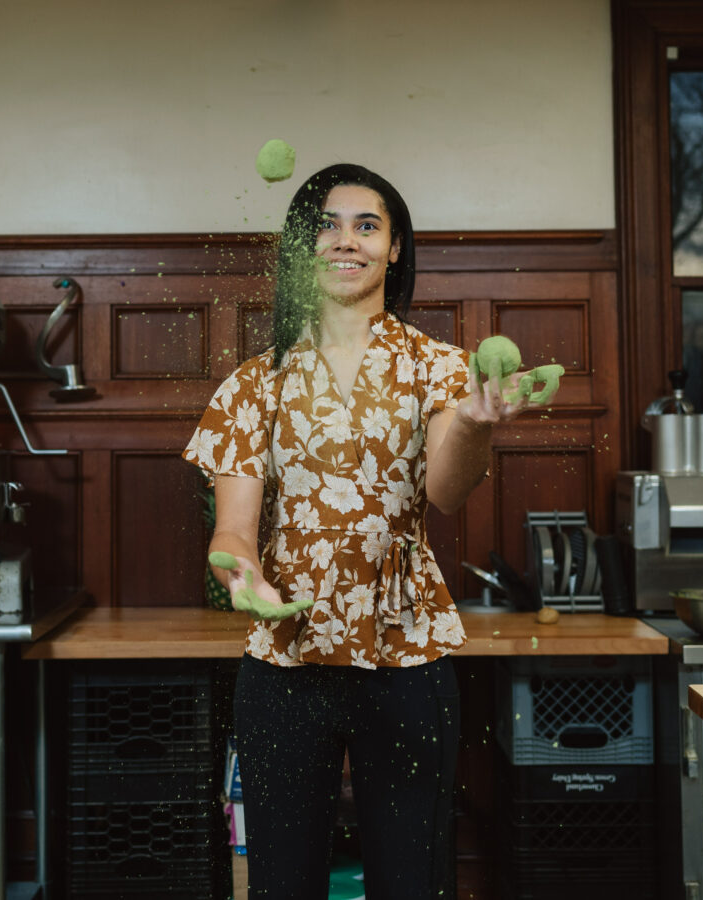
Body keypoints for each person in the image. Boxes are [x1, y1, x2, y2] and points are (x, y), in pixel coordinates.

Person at [183, 163, 549, 899]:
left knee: (412, 881)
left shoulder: (439, 368)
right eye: (325, 223)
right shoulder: (254, 382)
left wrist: (476, 424)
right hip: (286, 664)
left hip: (407, 656)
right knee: (283, 883)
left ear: (395, 249)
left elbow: (446, 492)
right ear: (299, 248)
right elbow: (234, 529)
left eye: (366, 225)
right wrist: (241, 576)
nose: (344, 239)